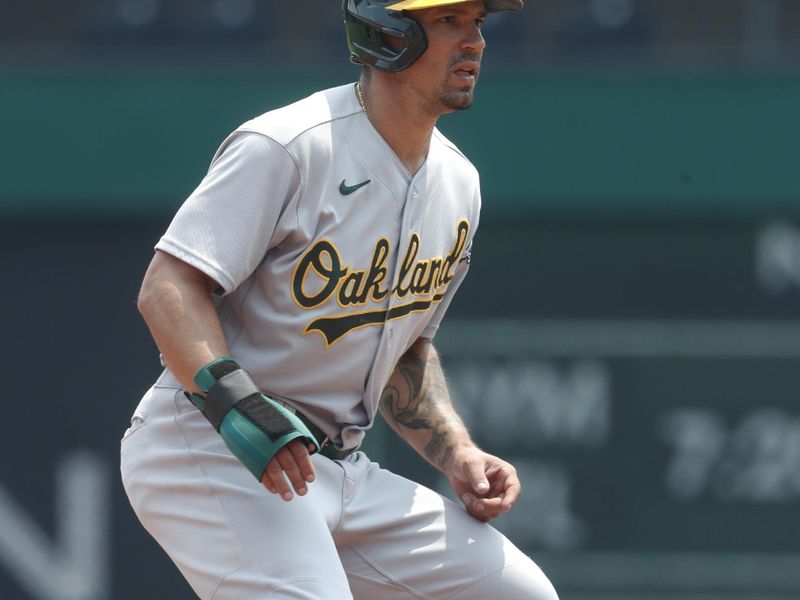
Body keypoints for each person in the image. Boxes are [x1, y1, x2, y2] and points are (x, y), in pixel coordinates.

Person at [121, 0, 558, 598]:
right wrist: (238, 404)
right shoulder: (289, 145)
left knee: (520, 594)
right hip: (211, 443)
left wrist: (456, 449)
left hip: (337, 468)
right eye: (450, 22)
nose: (476, 41)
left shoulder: (460, 182)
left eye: (477, 22)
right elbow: (168, 288)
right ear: (387, 35)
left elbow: (407, 346)